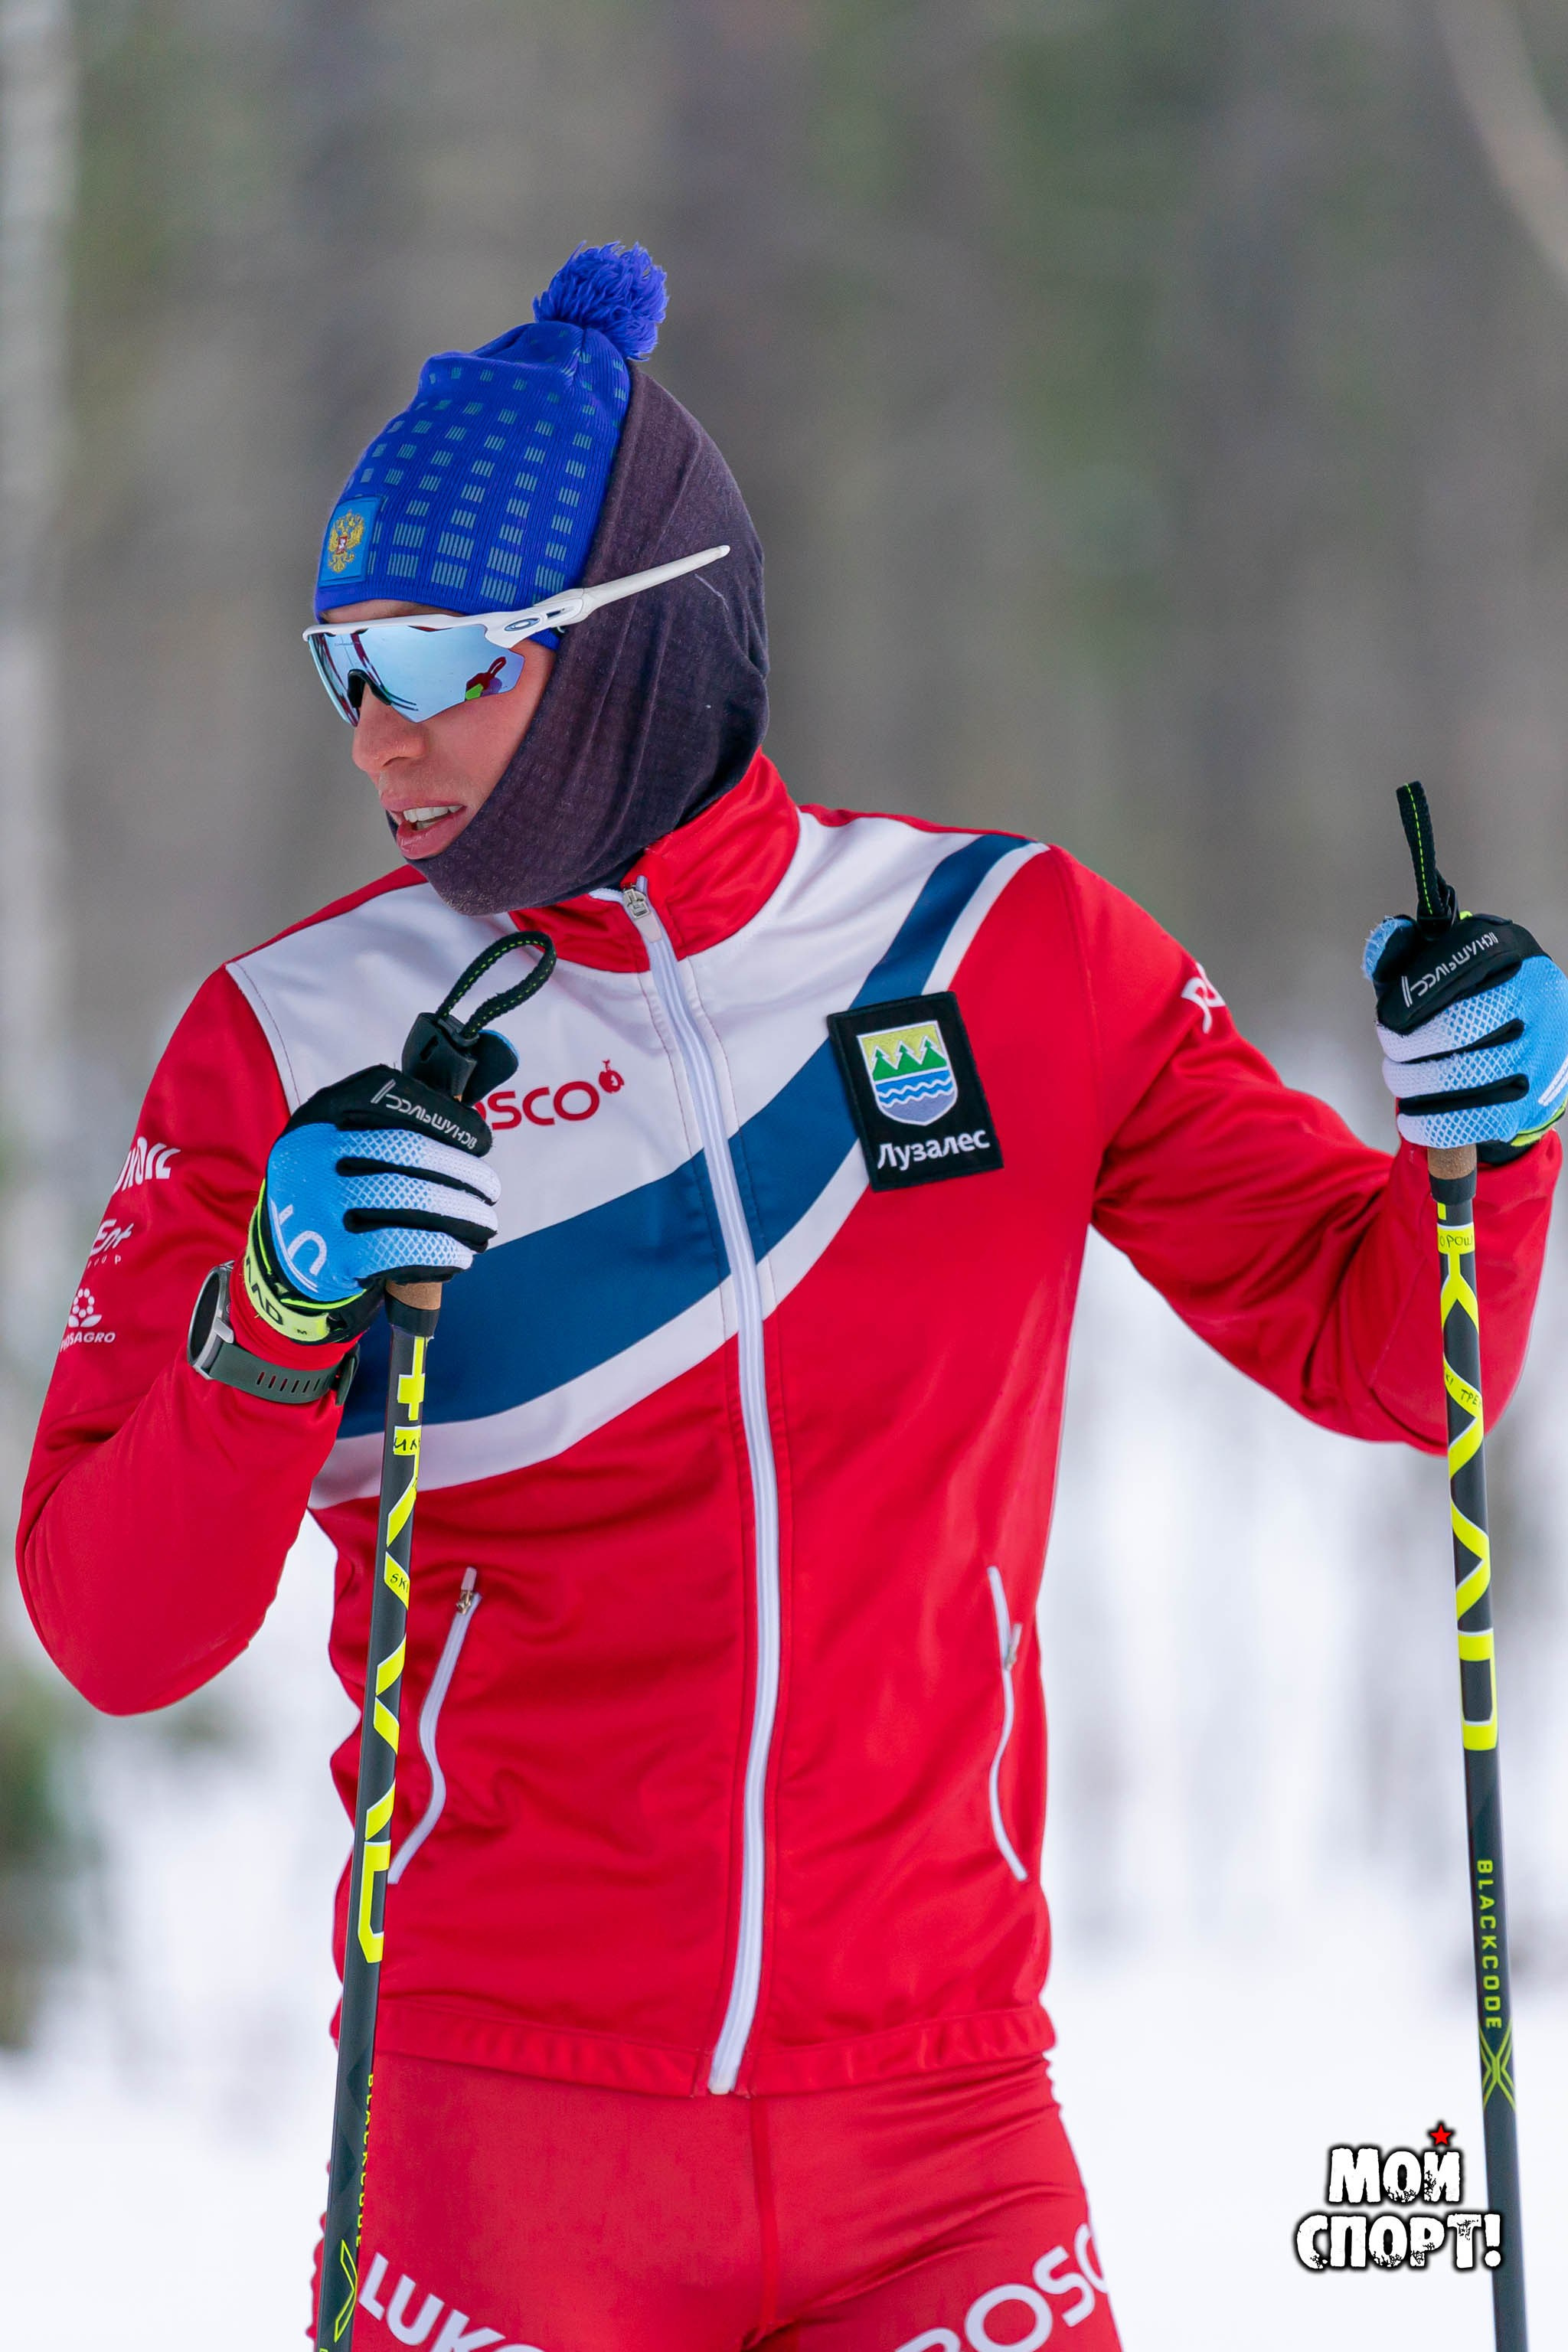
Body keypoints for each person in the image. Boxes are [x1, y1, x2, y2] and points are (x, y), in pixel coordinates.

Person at [18, 243, 1566, 2352]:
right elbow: (114, 1629)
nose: (383, 732)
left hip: (940, 2134)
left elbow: (1400, 1350)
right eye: (343, 667)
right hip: (506, 2145)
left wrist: (1489, 1133)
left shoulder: (1008, 950)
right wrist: (277, 1308)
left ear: (645, 636)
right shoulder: (293, 1039)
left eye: (452, 657)